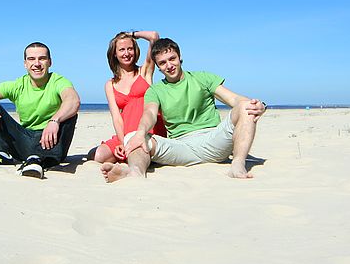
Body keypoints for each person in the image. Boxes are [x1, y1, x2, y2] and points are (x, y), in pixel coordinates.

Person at [100, 37, 266, 183]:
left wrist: (259, 105)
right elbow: (149, 114)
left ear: (180, 58)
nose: (169, 65)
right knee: (134, 136)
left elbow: (234, 99)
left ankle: (237, 164)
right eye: (163, 63)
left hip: (214, 141)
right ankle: (135, 172)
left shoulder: (203, 78)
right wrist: (141, 132)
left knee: (245, 106)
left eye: (172, 59)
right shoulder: (156, 90)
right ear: (158, 67)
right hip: (180, 147)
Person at [0, 42, 80, 179]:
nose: (36, 63)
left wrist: (54, 121)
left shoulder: (58, 82)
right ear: (25, 63)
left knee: (69, 113)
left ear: (50, 62)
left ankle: (40, 160)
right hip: (24, 140)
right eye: (31, 59)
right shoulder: (17, 85)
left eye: (42, 58)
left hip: (50, 142)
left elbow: (73, 100)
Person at [90, 30, 168, 163]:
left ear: (135, 50)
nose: (126, 53)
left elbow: (154, 36)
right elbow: (117, 119)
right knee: (98, 156)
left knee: (139, 153)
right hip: (125, 134)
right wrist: (121, 142)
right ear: (114, 54)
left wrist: (131, 35)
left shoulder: (145, 71)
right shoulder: (110, 84)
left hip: (148, 132)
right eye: (121, 49)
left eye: (130, 48)